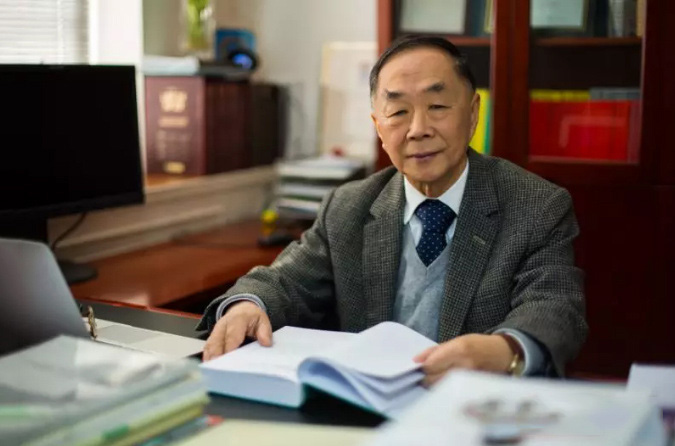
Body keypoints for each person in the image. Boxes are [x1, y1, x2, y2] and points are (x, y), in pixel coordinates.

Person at [198, 35, 587, 384]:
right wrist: (248, 304)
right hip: (367, 408)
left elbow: (554, 306)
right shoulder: (349, 206)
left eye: (437, 105)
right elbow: (286, 280)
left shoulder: (535, 204)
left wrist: (505, 350)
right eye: (398, 112)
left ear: (472, 113)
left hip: (473, 411)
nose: (418, 128)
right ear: (378, 127)